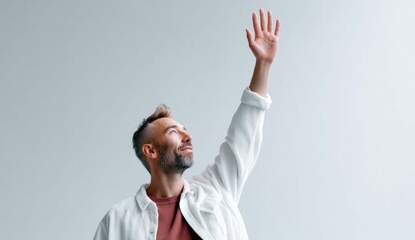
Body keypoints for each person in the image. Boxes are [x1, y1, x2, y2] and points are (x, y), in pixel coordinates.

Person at [93, 8, 280, 240]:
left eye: (185, 130)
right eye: (173, 131)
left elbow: (242, 140)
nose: (187, 136)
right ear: (150, 150)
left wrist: (263, 64)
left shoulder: (215, 191)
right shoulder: (118, 220)